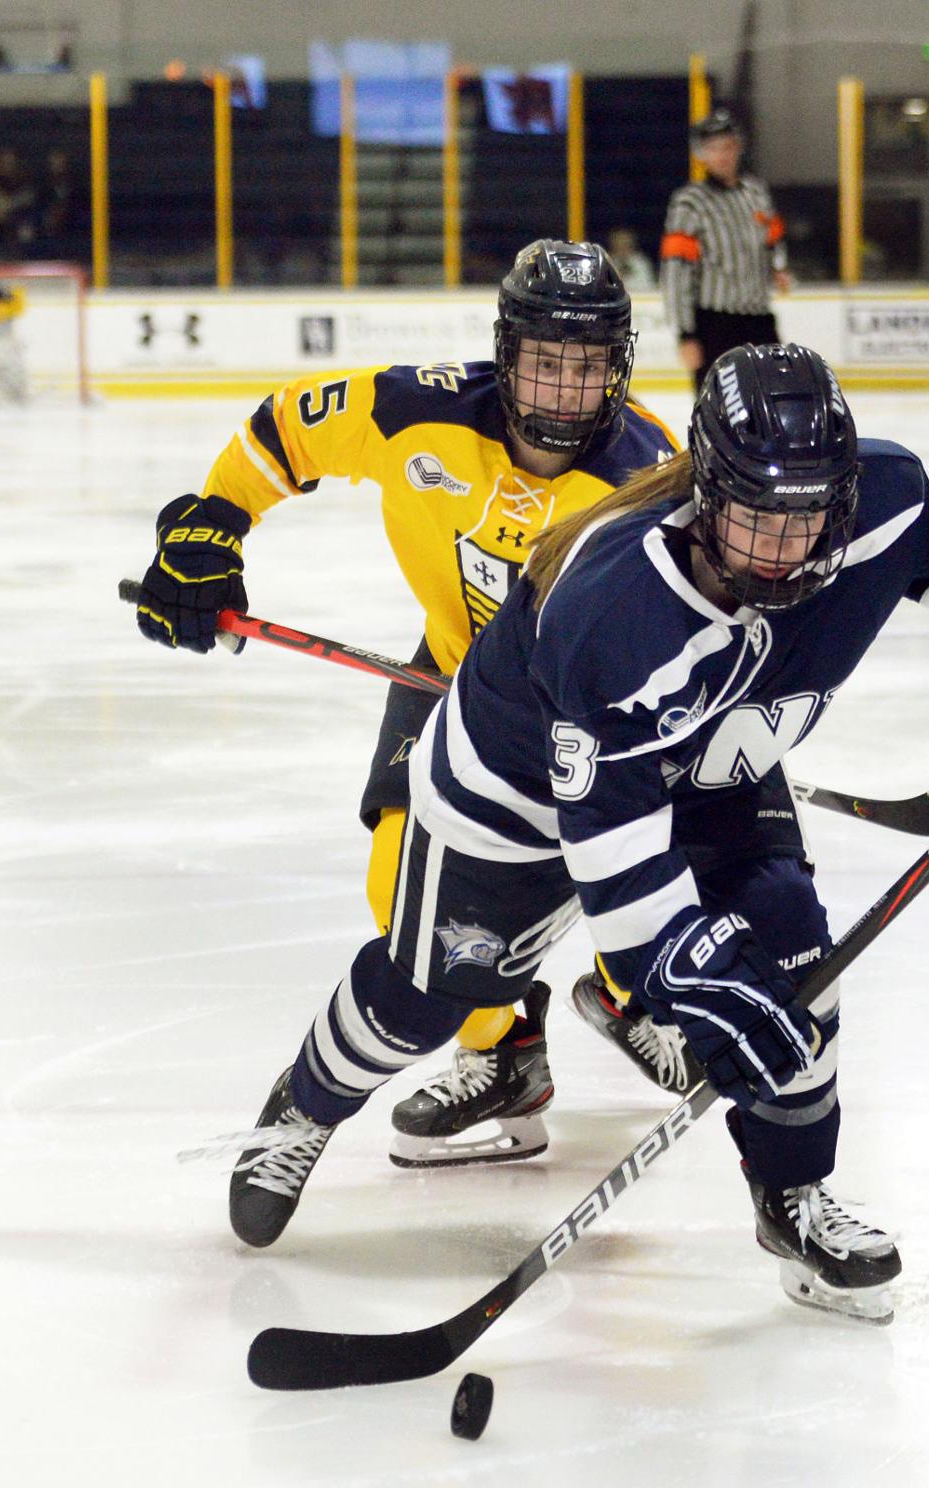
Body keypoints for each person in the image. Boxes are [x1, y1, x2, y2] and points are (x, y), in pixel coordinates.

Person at [224, 341, 929, 1321]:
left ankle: (793, 1194)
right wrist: (687, 968)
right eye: (756, 519)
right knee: (432, 995)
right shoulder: (614, 613)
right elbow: (617, 864)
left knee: (792, 960)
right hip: (517, 788)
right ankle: (306, 1101)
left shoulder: (876, 498)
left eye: (810, 520)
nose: (787, 550)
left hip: (716, 763)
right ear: (705, 494)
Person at [133, 238, 703, 1170]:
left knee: (617, 886)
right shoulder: (417, 406)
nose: (563, 391)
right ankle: (504, 1051)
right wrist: (213, 525)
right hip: (448, 681)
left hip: (586, 721)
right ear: (504, 354)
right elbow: (284, 431)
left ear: (621, 369)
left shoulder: (651, 482)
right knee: (405, 895)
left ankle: (628, 992)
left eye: (588, 368)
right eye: (544, 363)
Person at [660, 107, 790, 391]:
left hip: (759, 319)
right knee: (717, 405)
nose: (722, 155)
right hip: (714, 325)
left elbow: (774, 237)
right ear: (701, 153)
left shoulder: (755, 192)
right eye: (713, 148)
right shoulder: (690, 202)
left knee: (773, 396)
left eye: (728, 146)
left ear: (738, 148)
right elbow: (676, 272)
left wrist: (778, 268)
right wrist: (686, 335)